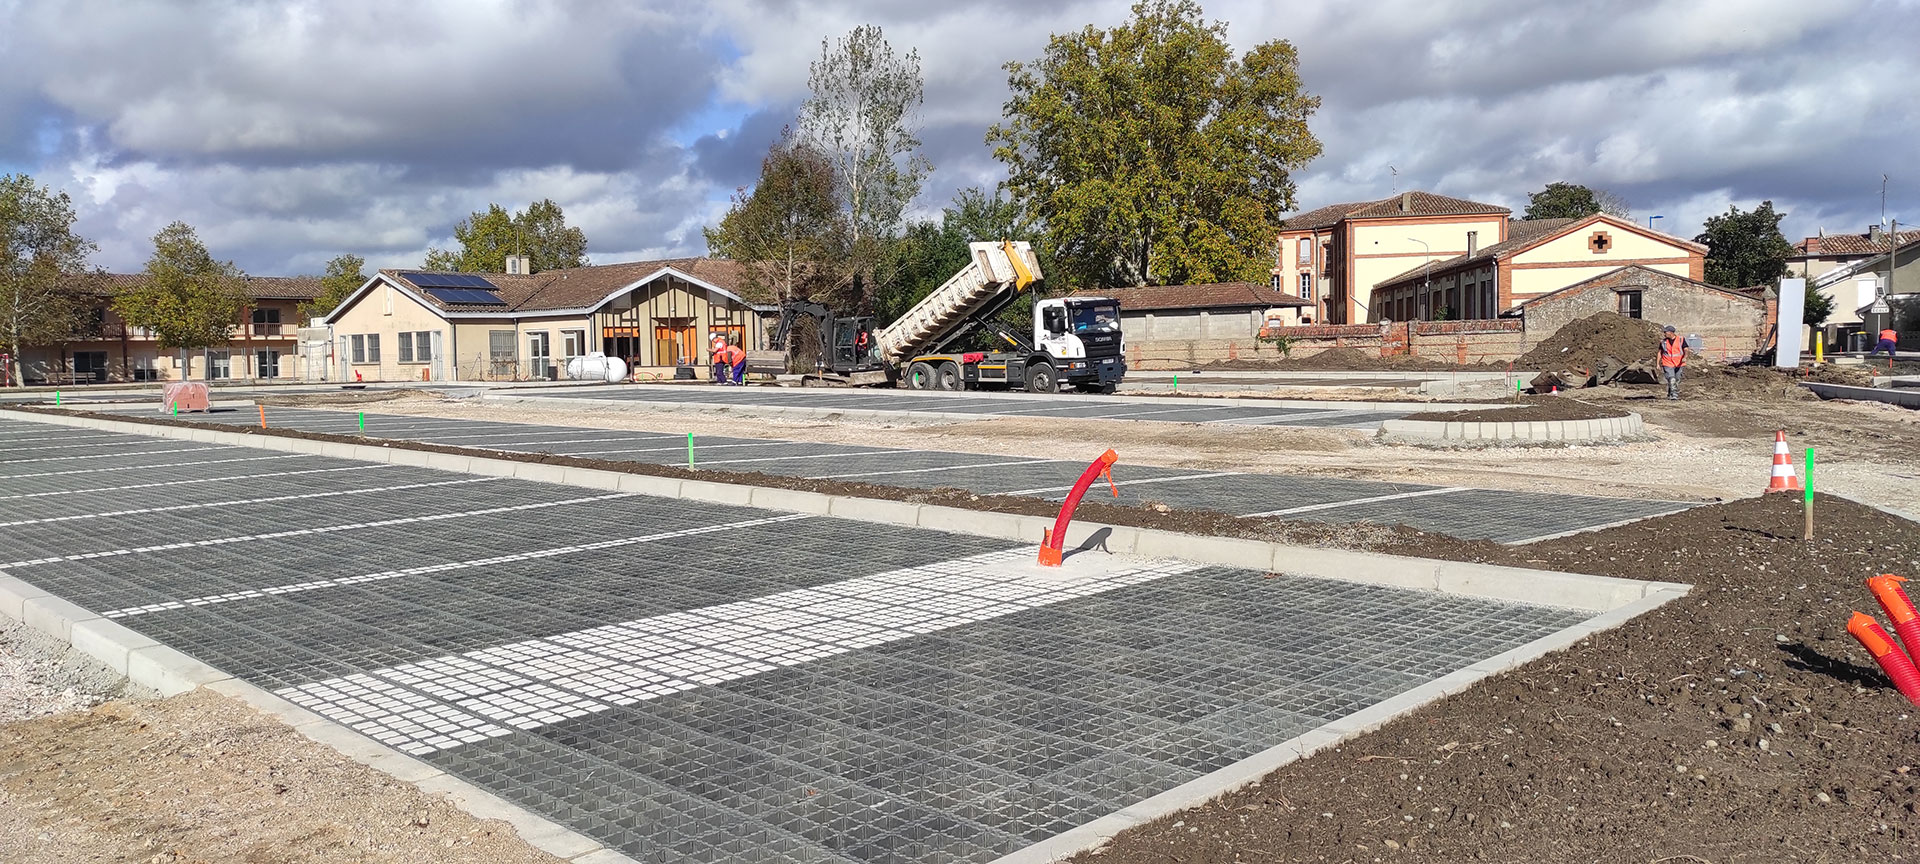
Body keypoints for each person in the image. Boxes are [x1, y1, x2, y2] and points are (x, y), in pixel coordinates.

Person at [1658, 324, 1688, 400]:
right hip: (1667, 363)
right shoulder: (1663, 342)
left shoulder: (1681, 339)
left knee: (1677, 380)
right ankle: (1674, 395)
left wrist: (1685, 357)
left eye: (1665, 332)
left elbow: (1686, 349)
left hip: (1679, 363)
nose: (1664, 334)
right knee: (1672, 379)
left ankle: (1670, 393)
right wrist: (1657, 363)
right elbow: (1659, 352)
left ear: (1671, 332)